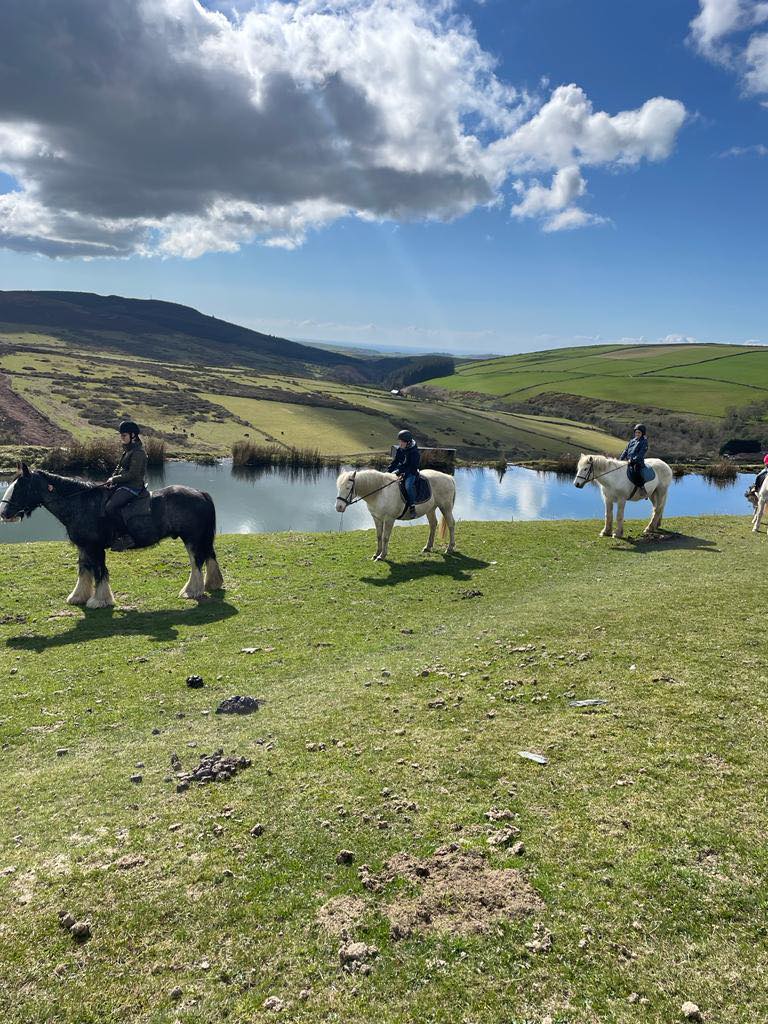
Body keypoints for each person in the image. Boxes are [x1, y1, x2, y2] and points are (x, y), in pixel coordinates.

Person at [105, 420, 148, 549]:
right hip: (124, 484)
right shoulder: (128, 451)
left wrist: (114, 480)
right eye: (121, 435)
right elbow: (119, 467)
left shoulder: (138, 453)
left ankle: (126, 538)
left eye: (124, 435)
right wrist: (111, 478)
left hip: (133, 487)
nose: (121, 438)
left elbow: (133, 475)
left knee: (110, 507)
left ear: (133, 435)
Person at [387, 429, 420, 515]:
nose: (400, 444)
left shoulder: (414, 452)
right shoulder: (400, 449)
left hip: (411, 473)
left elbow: (412, 467)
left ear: (408, 443)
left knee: (408, 486)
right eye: (400, 441)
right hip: (401, 471)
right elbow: (395, 462)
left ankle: (412, 506)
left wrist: (400, 472)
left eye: (402, 442)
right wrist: (388, 472)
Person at [620, 423, 649, 496]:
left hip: (637, 462)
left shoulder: (644, 442)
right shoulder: (631, 441)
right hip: (629, 461)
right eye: (636, 432)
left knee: (635, 470)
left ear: (642, 433)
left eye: (639, 432)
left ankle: (642, 487)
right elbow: (626, 451)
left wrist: (632, 460)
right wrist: (620, 459)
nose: (637, 434)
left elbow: (640, 454)